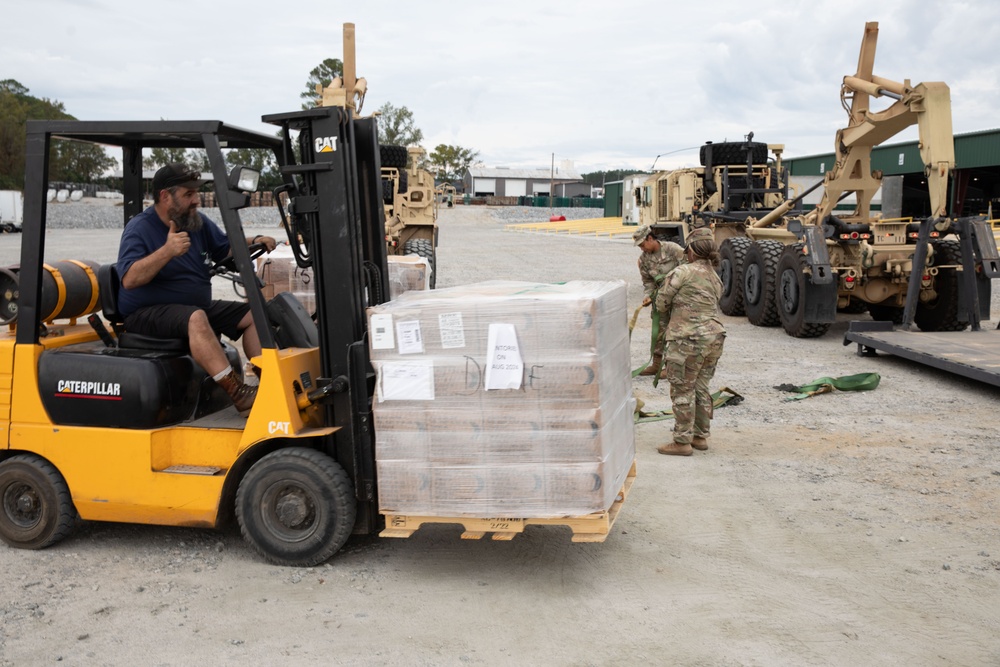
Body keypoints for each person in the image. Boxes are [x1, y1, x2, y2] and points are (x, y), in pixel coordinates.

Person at [116, 163, 277, 416]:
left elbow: (225, 248)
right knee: (196, 318)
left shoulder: (194, 222)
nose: (196, 200)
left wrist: (254, 241)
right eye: (188, 194)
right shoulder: (139, 228)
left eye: (196, 193)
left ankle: (271, 384)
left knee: (256, 314)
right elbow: (129, 279)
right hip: (146, 313)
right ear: (165, 196)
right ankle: (237, 393)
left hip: (191, 308)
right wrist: (167, 251)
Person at [653, 226, 726, 456]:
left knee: (682, 388)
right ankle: (700, 436)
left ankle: (682, 442)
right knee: (701, 387)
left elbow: (662, 303)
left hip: (687, 338)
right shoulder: (715, 277)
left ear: (692, 250)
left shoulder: (682, 272)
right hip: (714, 338)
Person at [633, 225, 685, 377]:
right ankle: (656, 365)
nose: (642, 249)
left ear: (650, 238)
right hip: (660, 299)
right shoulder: (643, 260)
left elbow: (687, 269)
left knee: (676, 332)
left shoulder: (672, 249)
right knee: (659, 331)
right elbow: (648, 281)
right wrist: (648, 295)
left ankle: (672, 367)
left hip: (678, 297)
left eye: (642, 245)